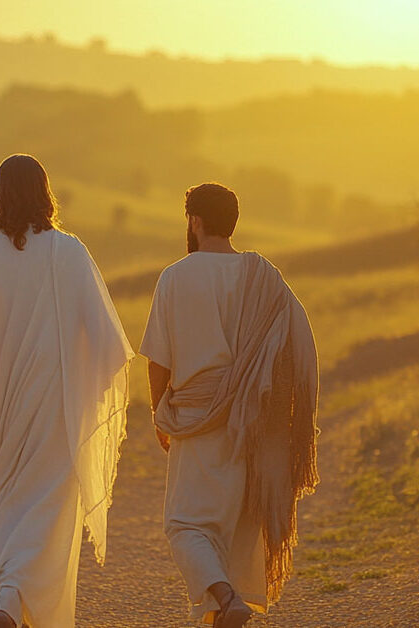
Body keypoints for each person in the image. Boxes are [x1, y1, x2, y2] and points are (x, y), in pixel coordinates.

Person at [0, 154, 133, 628]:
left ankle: (7, 596)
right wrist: (86, 393)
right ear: (45, 192)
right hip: (56, 408)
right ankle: (12, 598)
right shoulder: (70, 253)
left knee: (4, 502)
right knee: (45, 508)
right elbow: (108, 342)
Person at [140, 183, 319, 627]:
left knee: (185, 526)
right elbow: (295, 344)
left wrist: (159, 412)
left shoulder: (175, 277)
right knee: (239, 530)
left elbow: (158, 361)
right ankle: (227, 607)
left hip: (195, 419)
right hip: (253, 423)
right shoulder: (263, 276)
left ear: (195, 221)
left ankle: (224, 596)